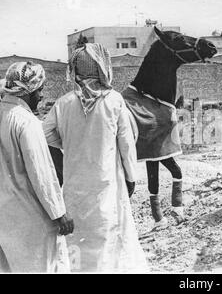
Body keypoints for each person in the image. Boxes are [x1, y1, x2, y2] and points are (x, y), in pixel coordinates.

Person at [43, 43, 148, 272]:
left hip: (74, 187)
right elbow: (127, 145)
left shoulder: (63, 103)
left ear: (76, 70)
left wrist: (71, 144)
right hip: (107, 183)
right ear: (102, 66)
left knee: (78, 241)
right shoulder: (114, 101)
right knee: (108, 236)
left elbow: (46, 135)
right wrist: (131, 177)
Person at [0, 62, 74, 272]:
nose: (42, 96)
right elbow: (41, 173)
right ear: (27, 90)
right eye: (40, 89)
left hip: (4, 220)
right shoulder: (26, 121)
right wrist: (59, 213)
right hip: (31, 219)